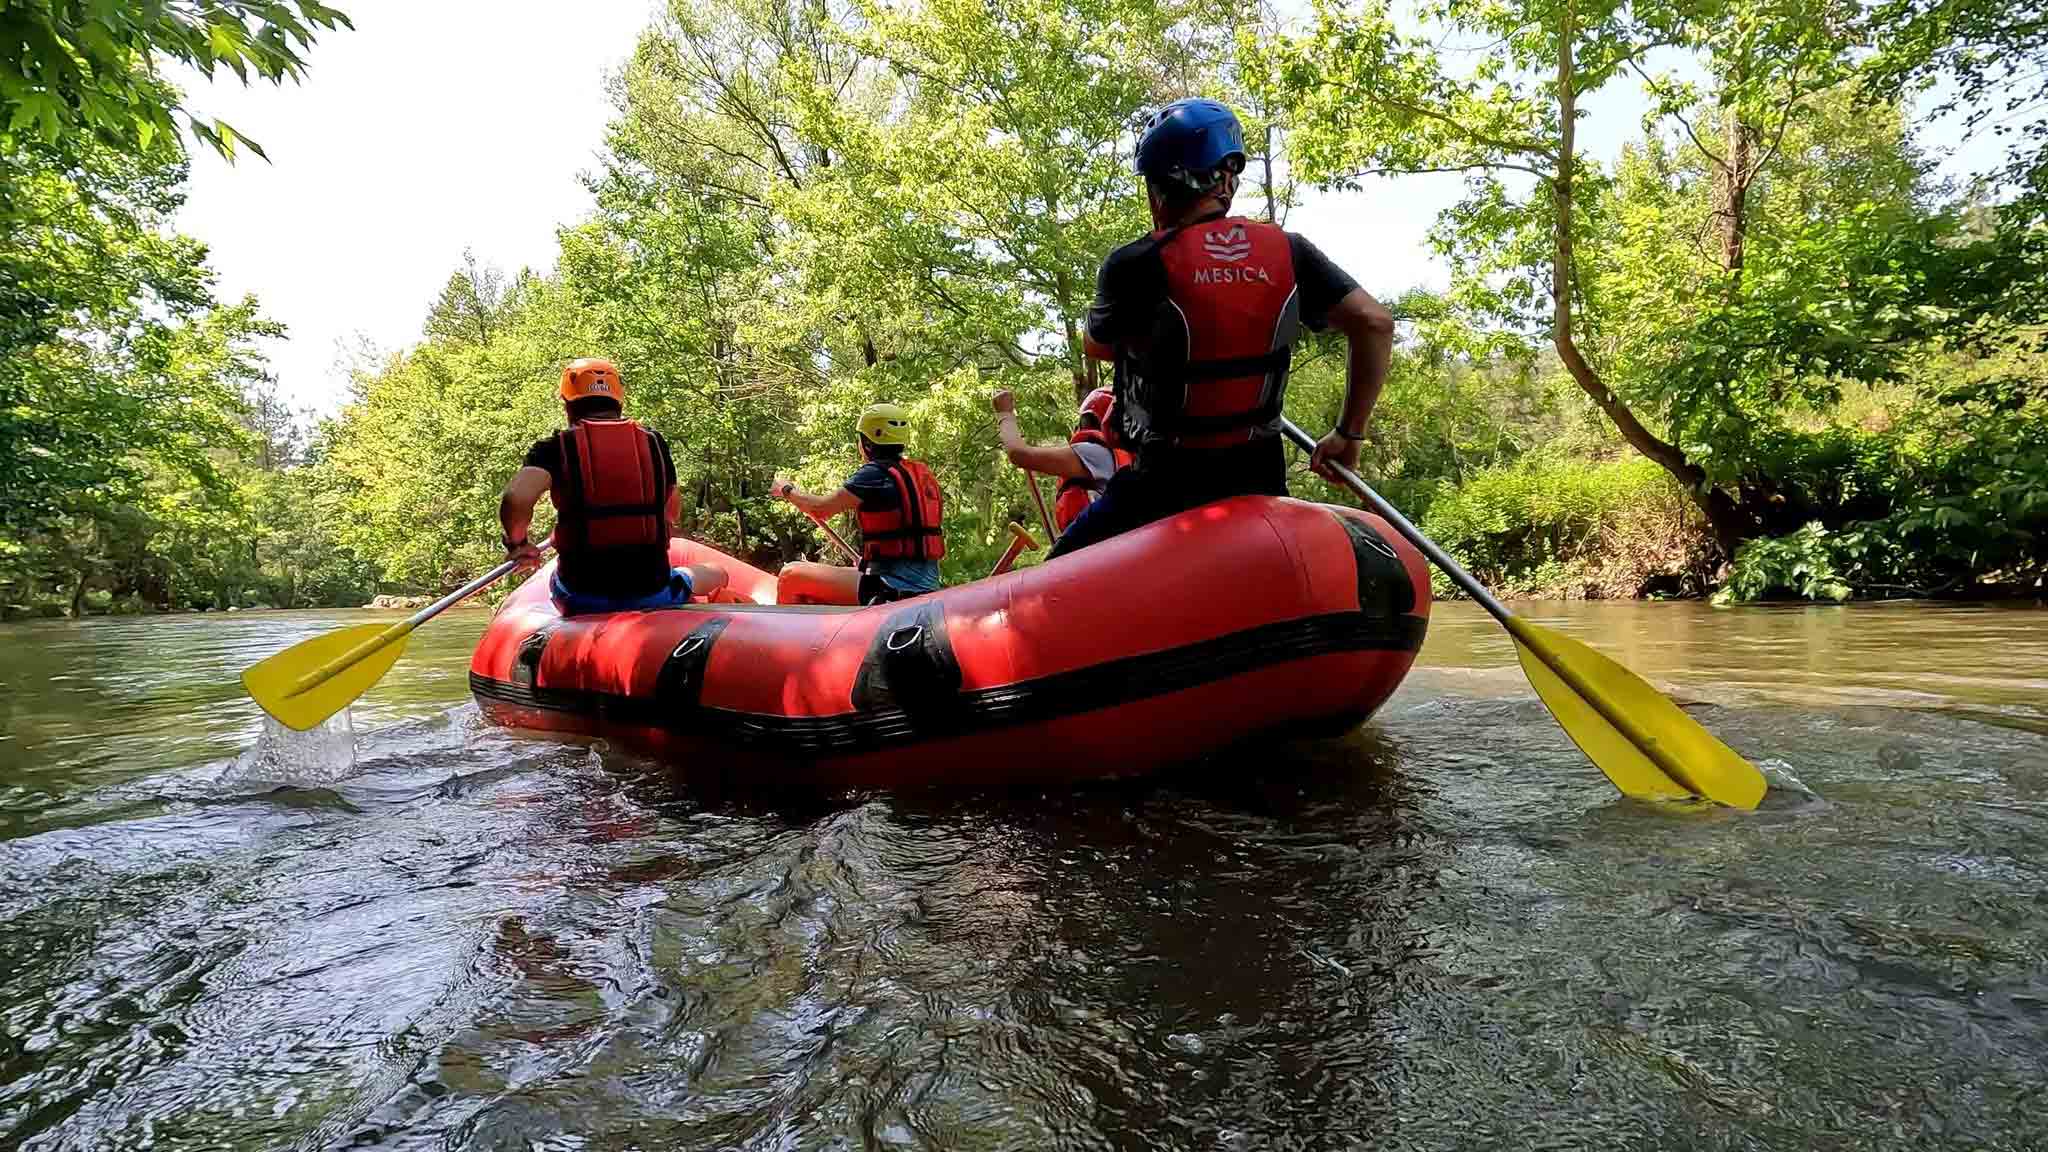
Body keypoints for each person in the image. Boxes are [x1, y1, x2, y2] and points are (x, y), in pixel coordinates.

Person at [1050, 98, 1396, 558]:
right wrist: (1349, 434)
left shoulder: (1134, 264)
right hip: (1259, 490)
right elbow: (1374, 323)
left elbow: (1098, 345)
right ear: (1226, 182)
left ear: (1161, 188)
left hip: (1159, 491)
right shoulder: (1289, 252)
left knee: (1056, 571)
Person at [498, 358, 727, 613]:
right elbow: (671, 512)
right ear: (619, 401)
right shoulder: (654, 445)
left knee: (557, 578)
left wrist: (518, 544)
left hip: (580, 596)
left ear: (568, 405)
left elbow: (516, 498)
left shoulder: (553, 448)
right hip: (652, 593)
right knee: (716, 572)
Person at [773, 402, 946, 605]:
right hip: (926, 585)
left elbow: (820, 509)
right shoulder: (921, 473)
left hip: (891, 589)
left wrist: (786, 490)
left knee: (790, 575)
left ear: (867, 444)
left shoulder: (874, 474)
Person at [993, 387, 1132, 536]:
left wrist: (1004, 414)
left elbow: (1018, 454)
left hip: (1097, 546)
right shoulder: (1121, 458)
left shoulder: (1095, 454)